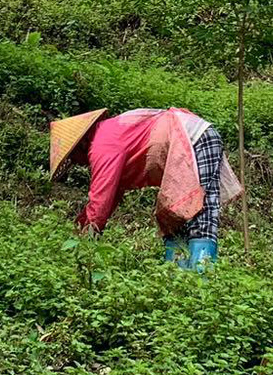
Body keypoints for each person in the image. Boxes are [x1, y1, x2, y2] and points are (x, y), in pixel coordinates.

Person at [49, 107, 241, 269]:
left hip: (195, 138)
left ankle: (202, 275)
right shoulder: (108, 135)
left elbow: (101, 200)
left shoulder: (102, 144)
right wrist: (82, 227)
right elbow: (110, 197)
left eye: (73, 158)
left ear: (79, 146)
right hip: (181, 140)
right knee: (173, 215)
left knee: (200, 210)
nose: (79, 164)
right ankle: (178, 276)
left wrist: (84, 241)